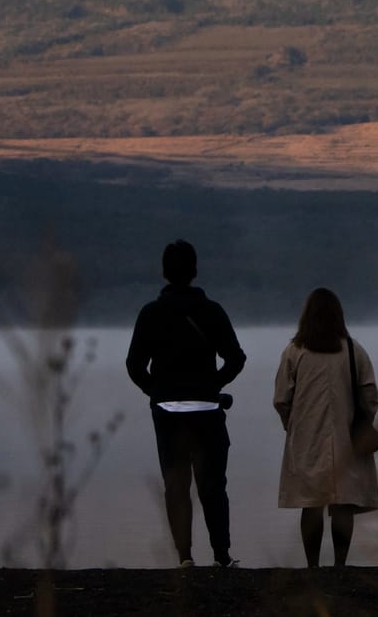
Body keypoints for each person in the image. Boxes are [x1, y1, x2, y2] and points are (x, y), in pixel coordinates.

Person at [125, 239, 246, 568]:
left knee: (176, 487)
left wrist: (157, 391)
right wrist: (213, 385)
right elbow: (236, 358)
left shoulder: (150, 314)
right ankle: (222, 556)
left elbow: (134, 366)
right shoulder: (212, 311)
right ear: (195, 271)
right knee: (213, 486)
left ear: (163, 272)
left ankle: (185, 557)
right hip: (208, 411)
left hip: (167, 413)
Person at [274, 287, 378, 567]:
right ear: (338, 316)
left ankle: (312, 566)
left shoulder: (293, 352)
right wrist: (364, 422)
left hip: (306, 441)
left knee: (311, 504)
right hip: (346, 439)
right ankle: (340, 564)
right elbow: (369, 395)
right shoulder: (353, 350)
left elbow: (281, 398)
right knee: (342, 502)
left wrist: (292, 426)